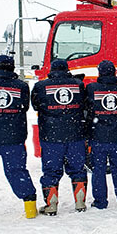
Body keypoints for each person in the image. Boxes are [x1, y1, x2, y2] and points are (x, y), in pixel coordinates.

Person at [32, 59, 87, 215]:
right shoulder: (78, 85)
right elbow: (84, 104)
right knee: (77, 169)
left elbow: (36, 105)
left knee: (51, 171)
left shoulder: (40, 86)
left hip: (51, 136)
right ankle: (80, 202)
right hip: (75, 134)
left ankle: (51, 205)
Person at [0, 55, 37, 218]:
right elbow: (24, 106)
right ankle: (30, 208)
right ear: (12, 67)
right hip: (14, 138)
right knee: (17, 171)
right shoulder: (21, 86)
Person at [85, 60, 117, 209]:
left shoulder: (91, 88)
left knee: (98, 170)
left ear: (99, 73)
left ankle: (100, 201)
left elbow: (86, 110)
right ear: (115, 72)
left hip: (98, 137)